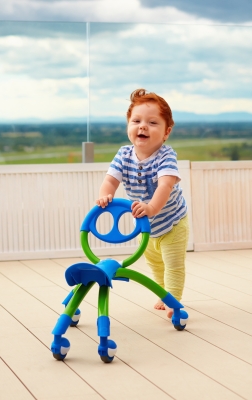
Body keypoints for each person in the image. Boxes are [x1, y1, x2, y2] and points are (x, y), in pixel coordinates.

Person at [96, 88, 189, 318]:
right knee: (155, 264)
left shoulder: (166, 156)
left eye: (152, 122)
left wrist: (151, 208)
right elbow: (110, 180)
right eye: (136, 120)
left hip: (172, 222)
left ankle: (173, 300)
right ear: (128, 126)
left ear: (166, 132)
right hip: (146, 226)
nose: (142, 126)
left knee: (173, 264)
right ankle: (162, 292)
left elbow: (165, 186)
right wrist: (106, 194)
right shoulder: (123, 154)